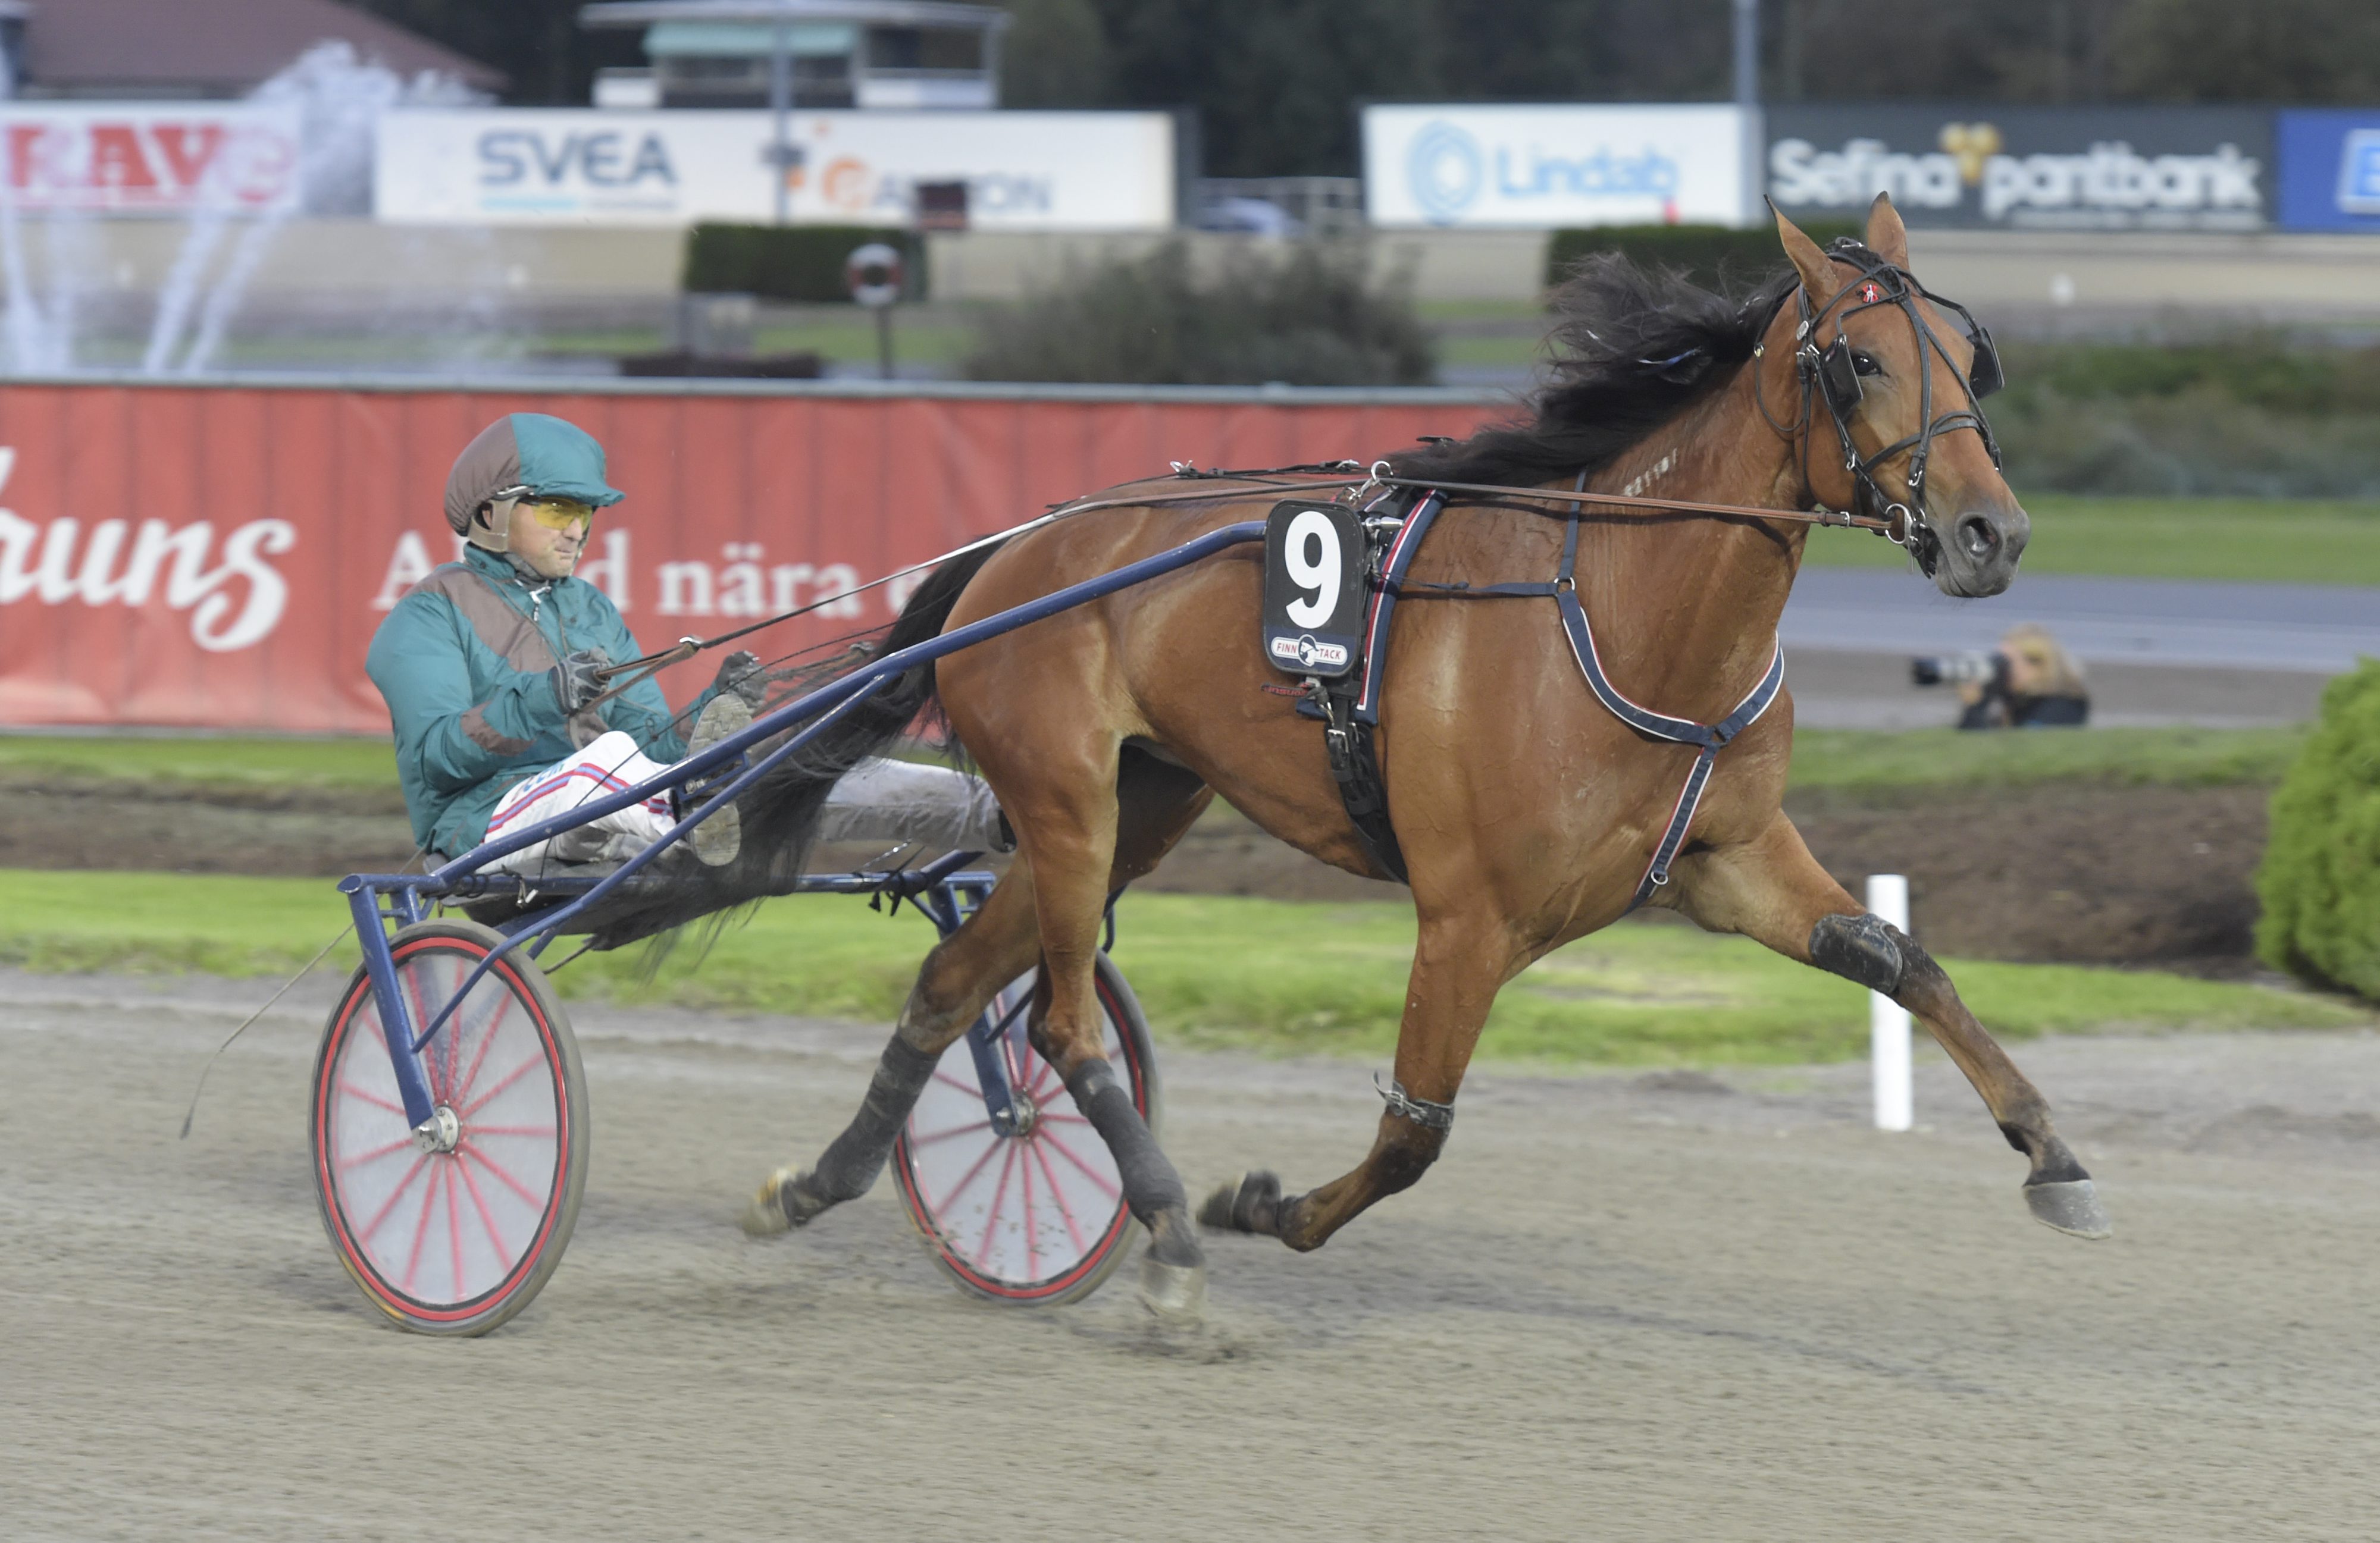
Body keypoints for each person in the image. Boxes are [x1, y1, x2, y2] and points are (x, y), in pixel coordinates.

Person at [367, 412, 1005, 874]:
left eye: (587, 515)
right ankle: (699, 814)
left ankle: (998, 813)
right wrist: (542, 699)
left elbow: (659, 745)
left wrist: (715, 707)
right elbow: (436, 761)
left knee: (802, 762)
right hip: (484, 830)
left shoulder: (589, 608)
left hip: (615, 813)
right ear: (489, 514)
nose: (578, 531)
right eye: (559, 509)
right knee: (612, 757)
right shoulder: (427, 615)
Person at [1955, 622, 2090, 730]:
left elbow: (2021, 749)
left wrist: (1980, 705)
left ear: (2036, 664)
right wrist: (1977, 702)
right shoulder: (2016, 701)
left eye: (2006, 663)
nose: (2001, 670)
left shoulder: (2062, 705)